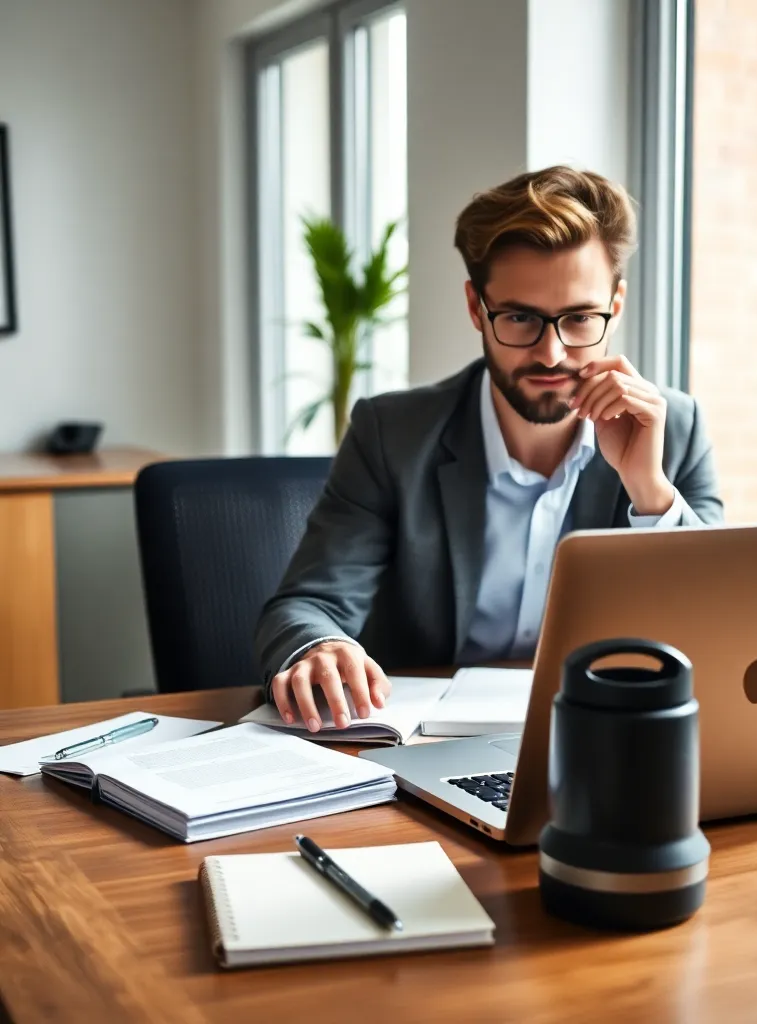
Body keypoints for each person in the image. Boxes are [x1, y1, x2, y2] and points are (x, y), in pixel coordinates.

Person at [255, 165, 724, 733]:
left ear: (615, 306)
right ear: (477, 308)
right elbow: (308, 604)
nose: (552, 353)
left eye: (579, 319)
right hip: (420, 746)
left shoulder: (671, 428)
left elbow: (718, 629)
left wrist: (649, 492)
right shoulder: (392, 434)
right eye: (521, 318)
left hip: (602, 740)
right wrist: (320, 647)